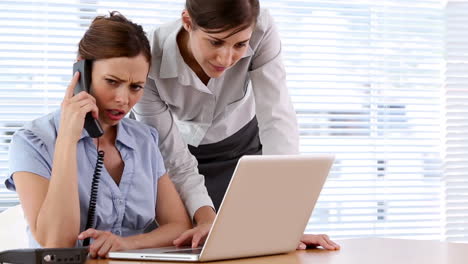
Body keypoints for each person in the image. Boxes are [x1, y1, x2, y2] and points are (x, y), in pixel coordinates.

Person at [132, 0, 340, 250]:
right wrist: (206, 217)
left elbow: (276, 117)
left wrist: (285, 225)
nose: (226, 58)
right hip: (178, 153)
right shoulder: (149, 57)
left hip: (242, 150)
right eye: (215, 42)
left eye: (240, 44)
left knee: (254, 246)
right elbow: (171, 155)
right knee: (182, 245)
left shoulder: (261, 28)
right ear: (188, 22)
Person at [5, 12, 191, 258]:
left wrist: (127, 244)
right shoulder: (32, 141)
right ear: (81, 69)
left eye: (136, 87)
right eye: (112, 81)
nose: (123, 100)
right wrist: (67, 140)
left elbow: (179, 226)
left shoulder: (144, 140)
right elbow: (56, 243)